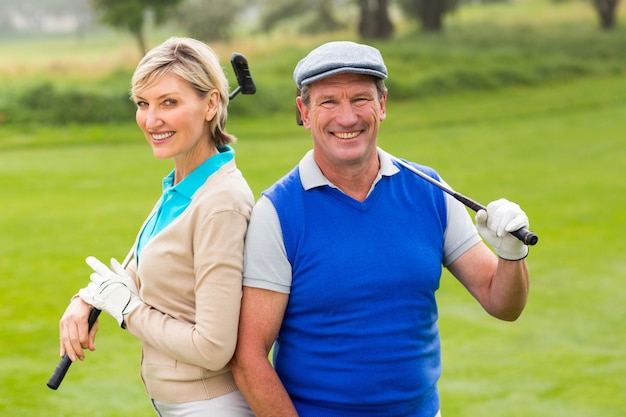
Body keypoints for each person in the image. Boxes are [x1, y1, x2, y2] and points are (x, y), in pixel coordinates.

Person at [230, 40, 531, 417]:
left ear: (382, 105)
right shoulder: (278, 212)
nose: (347, 117)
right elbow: (248, 357)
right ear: (304, 112)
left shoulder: (430, 189)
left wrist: (511, 256)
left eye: (360, 99)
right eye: (328, 102)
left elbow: (502, 303)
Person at [58, 37, 255, 417]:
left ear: (211, 104)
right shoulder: (180, 186)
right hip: (175, 403)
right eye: (143, 104)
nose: (151, 120)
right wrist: (87, 298)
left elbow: (214, 347)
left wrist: (128, 310)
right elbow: (142, 266)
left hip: (210, 406)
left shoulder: (220, 203)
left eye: (169, 102)